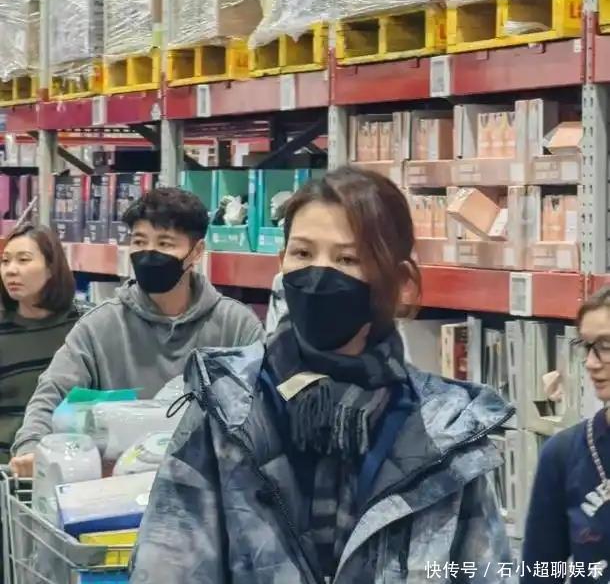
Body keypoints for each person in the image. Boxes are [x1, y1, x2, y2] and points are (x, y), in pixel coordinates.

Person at [131, 166, 514, 584]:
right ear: (281, 263)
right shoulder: (226, 407)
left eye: (347, 259)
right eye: (302, 253)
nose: (318, 274)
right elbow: (166, 565)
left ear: (401, 280)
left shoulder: (445, 435)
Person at [10, 187, 264, 477]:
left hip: (213, 486)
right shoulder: (99, 326)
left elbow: (265, 413)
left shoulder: (236, 326)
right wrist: (32, 448)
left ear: (196, 252)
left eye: (165, 243)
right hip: (113, 491)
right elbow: (51, 394)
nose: (149, 253)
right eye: (139, 241)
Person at [521, 287, 610, 583]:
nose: (591, 362)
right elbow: (539, 572)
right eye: (586, 346)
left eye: (606, 345)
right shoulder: (564, 453)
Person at [0, 224, 79, 464]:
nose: (11, 270)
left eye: (23, 260)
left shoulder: (84, 327)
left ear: (52, 268)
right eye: (5, 261)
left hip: (71, 461)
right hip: (9, 470)